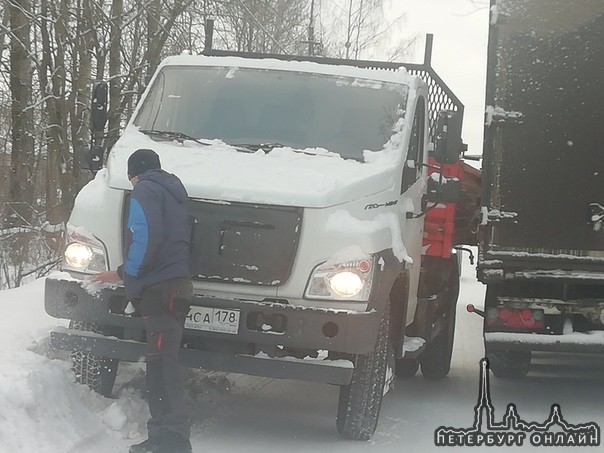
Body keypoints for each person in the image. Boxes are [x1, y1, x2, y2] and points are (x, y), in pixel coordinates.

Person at [94, 148, 193, 453]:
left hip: (159, 289)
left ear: (134, 173)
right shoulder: (174, 194)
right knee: (165, 361)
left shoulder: (145, 191)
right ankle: (167, 436)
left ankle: (171, 439)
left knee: (162, 365)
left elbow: (145, 235)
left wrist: (125, 272)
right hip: (177, 285)